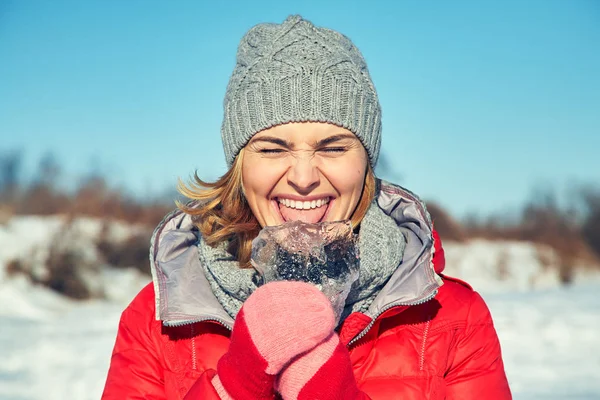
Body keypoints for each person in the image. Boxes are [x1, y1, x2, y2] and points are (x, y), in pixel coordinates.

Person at [102, 15, 511, 400]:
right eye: (272, 148)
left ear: (366, 162)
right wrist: (233, 385)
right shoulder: (159, 319)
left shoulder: (451, 318)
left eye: (332, 148)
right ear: (240, 166)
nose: (303, 177)